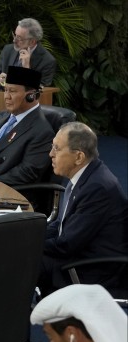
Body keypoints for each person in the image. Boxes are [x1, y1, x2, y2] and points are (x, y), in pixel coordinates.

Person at [39, 122, 128, 298]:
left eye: (57, 148)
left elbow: (66, 246)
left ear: (78, 157)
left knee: (22, 262)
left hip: (92, 269)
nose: (51, 154)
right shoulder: (83, 176)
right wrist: (28, 233)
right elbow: (60, 225)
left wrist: (27, 244)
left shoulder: (98, 188)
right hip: (78, 253)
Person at [0, 18, 57, 87]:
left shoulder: (47, 60)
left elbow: (42, 89)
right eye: (15, 35)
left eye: (19, 38)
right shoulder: (8, 50)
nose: (14, 40)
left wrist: (27, 69)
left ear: (32, 42)